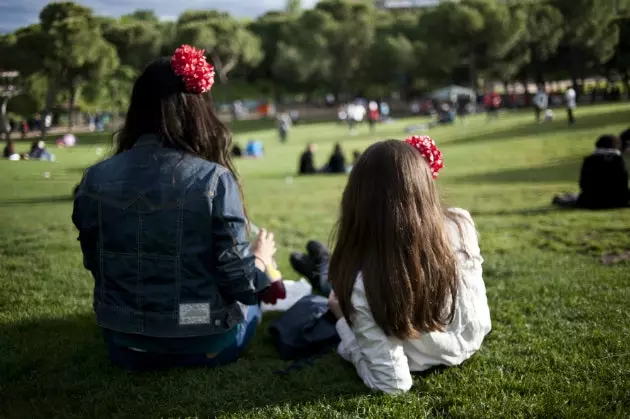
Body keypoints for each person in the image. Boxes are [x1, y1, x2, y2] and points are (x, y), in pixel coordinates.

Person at [72, 45, 286, 371]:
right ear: (198, 110)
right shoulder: (214, 179)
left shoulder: (95, 178)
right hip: (200, 335)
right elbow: (240, 284)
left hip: (123, 338)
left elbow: (94, 262)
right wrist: (261, 258)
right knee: (250, 307)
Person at [325, 137, 491, 393]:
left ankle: (320, 267)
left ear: (356, 200)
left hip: (423, 355)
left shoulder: (365, 281)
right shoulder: (460, 223)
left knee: (336, 291)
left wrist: (343, 324)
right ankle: (320, 265)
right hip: (472, 337)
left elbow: (392, 383)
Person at [553, 135, 629, 209]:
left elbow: (583, 184)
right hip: (617, 201)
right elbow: (623, 183)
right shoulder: (618, 160)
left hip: (591, 202)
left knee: (570, 198)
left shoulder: (589, 160)